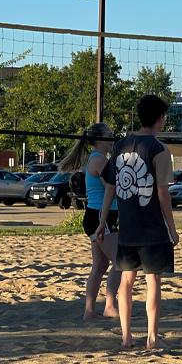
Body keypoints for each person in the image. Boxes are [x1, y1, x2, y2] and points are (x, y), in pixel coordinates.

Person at [98, 94, 179, 349]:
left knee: (127, 281)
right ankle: (152, 338)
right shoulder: (159, 149)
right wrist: (172, 228)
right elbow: (162, 193)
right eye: (164, 117)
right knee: (153, 280)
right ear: (158, 119)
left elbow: (109, 188)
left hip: (128, 226)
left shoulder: (121, 145)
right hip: (152, 226)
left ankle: (126, 337)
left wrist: (102, 221)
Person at [58, 123, 121, 322]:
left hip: (97, 215)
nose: (113, 138)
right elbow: (112, 188)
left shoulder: (96, 158)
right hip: (102, 216)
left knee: (100, 266)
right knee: (120, 261)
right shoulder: (99, 160)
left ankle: (89, 311)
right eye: (110, 135)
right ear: (100, 139)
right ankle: (110, 306)